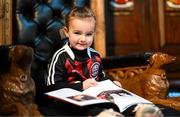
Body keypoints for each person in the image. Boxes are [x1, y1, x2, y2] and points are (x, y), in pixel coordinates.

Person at [46, 6, 111, 92]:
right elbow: (52, 87)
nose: (83, 39)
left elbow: (101, 78)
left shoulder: (95, 55)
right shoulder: (61, 56)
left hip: (94, 100)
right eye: (77, 33)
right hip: (68, 101)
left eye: (88, 34)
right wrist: (81, 86)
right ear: (66, 32)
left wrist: (112, 84)